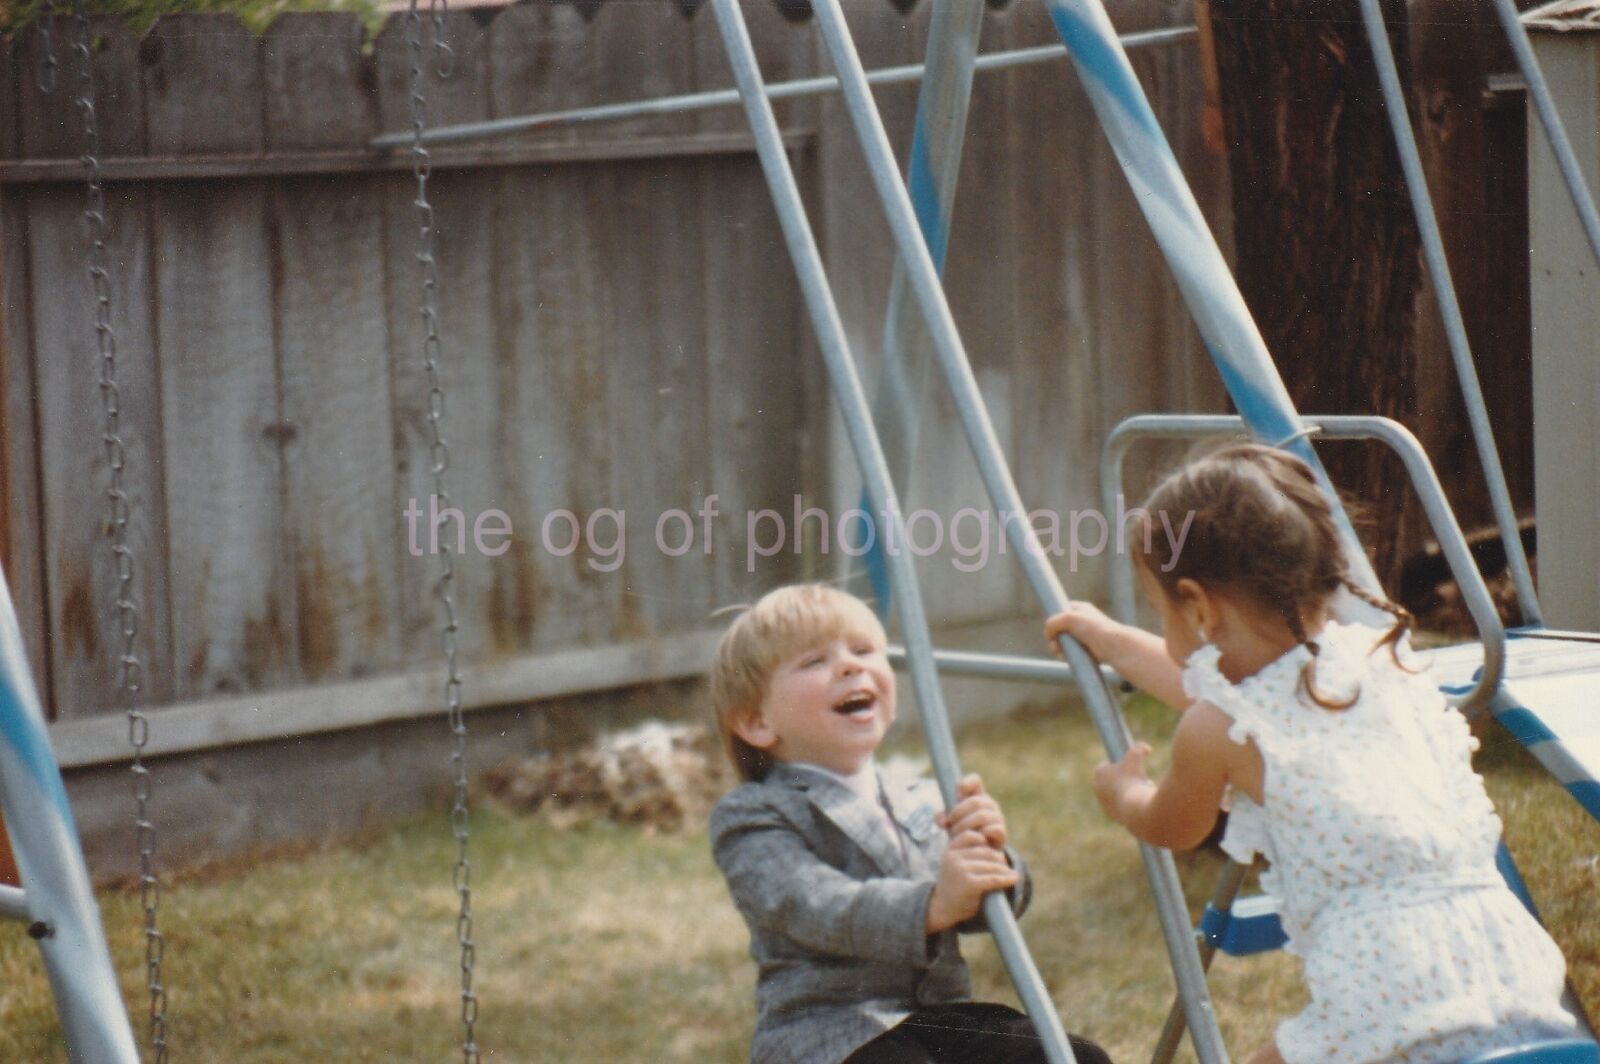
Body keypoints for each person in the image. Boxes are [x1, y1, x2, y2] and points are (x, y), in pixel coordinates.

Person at [1044, 443, 1576, 1064]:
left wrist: (1123, 794)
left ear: (1197, 605)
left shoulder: (1219, 730)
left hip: (1385, 990)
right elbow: (1207, 684)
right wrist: (1109, 639)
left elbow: (1175, 824)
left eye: (1160, 610)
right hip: (1509, 960)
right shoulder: (1381, 663)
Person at [710, 584, 1112, 1064]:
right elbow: (810, 904)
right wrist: (933, 905)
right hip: (830, 1032)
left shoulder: (922, 793)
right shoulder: (756, 814)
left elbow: (981, 905)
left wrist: (993, 862)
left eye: (863, 650)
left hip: (937, 1019)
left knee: (1071, 1057)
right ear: (757, 722)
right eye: (815, 661)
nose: (850, 665)